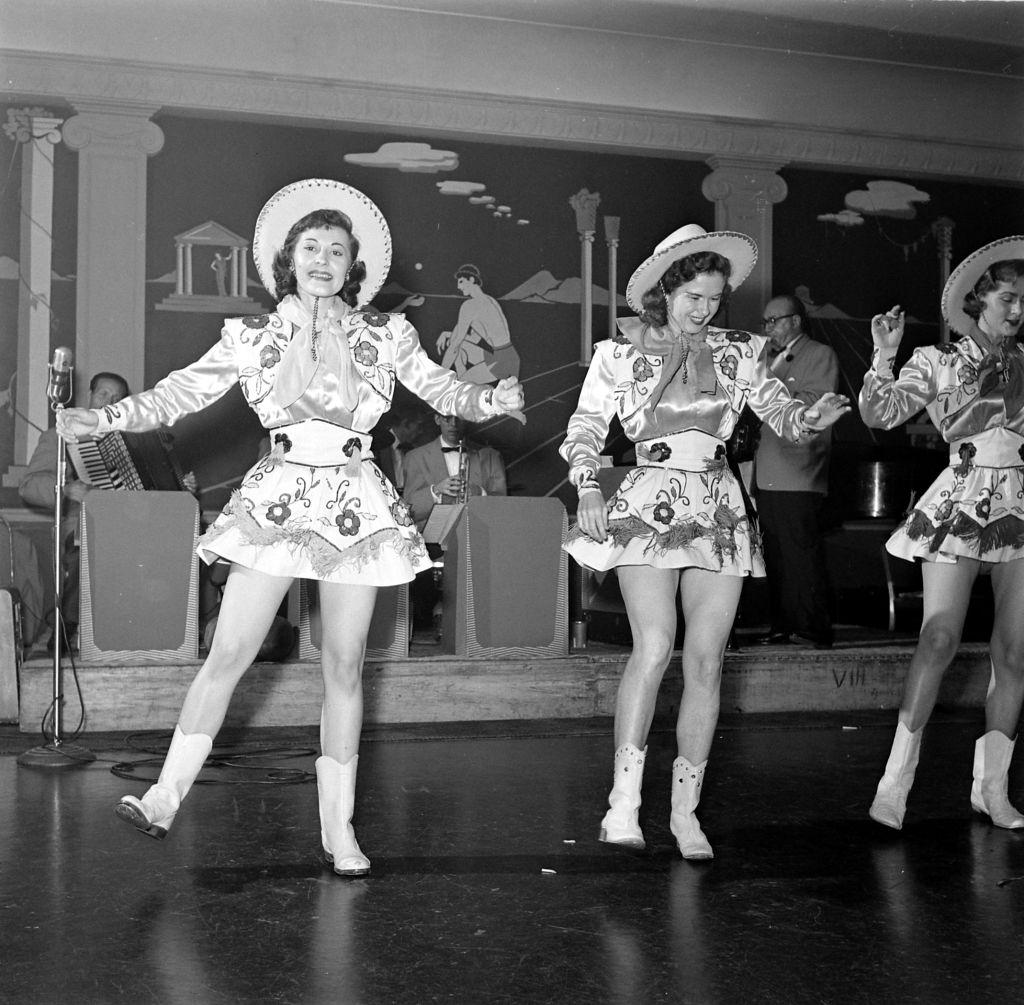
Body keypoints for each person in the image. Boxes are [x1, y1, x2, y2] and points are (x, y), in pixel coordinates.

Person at [56, 178, 525, 875]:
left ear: (353, 265)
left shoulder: (384, 334)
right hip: (279, 496)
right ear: (288, 258)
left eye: (337, 249)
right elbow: (181, 393)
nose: (324, 259)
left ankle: (340, 831)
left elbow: (440, 386)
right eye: (311, 246)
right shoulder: (252, 337)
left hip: (355, 499)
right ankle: (163, 794)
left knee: (343, 664)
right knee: (229, 650)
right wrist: (107, 416)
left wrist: (491, 397)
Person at [561, 223, 849, 860]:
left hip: (717, 503)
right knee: (656, 644)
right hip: (648, 500)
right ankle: (624, 804)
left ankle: (685, 813)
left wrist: (810, 417)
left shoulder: (741, 352)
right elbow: (583, 428)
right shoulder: (620, 352)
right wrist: (586, 486)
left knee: (709, 660)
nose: (705, 308)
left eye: (714, 299)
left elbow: (779, 411)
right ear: (666, 291)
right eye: (694, 295)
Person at [860, 235, 1024, 831]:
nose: (1017, 309)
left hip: (1020, 504)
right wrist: (884, 355)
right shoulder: (940, 360)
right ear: (980, 299)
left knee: (1015, 651)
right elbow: (881, 414)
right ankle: (895, 782)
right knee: (939, 638)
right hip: (960, 499)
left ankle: (993, 788)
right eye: (1008, 296)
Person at [754, 294, 840, 649]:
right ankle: (782, 625)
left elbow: (813, 403)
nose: (768, 328)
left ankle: (812, 627)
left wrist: (768, 386)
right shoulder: (767, 359)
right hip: (769, 470)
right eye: (766, 322)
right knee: (775, 553)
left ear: (795, 321)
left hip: (798, 470)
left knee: (800, 553)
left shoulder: (819, 354)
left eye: (774, 320)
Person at [19, 371, 130, 646]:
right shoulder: (59, 436)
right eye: (103, 394)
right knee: (88, 553)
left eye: (116, 399)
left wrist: (179, 484)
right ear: (89, 396)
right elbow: (28, 486)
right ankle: (65, 629)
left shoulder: (130, 442)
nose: (108, 402)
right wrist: (66, 490)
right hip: (79, 530)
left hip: (127, 529)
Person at [402, 411, 508, 531]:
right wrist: (435, 491)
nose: (453, 424)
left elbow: (502, 509)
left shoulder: (491, 456)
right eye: (447, 418)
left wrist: (480, 492)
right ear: (437, 419)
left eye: (459, 418)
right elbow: (408, 511)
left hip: (479, 538)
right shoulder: (415, 457)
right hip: (433, 544)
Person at [436, 264, 520, 383]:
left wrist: (438, 377)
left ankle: (459, 382)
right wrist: (448, 334)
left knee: (459, 385)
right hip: (509, 357)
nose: (458, 286)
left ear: (472, 279)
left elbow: (455, 345)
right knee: (459, 345)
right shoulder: (490, 300)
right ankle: (462, 380)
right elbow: (474, 339)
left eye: (461, 281)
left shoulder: (469, 306)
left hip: (502, 362)